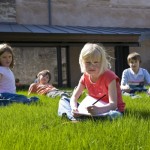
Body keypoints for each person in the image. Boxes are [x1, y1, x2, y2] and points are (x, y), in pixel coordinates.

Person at [58, 43, 125, 120]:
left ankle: (76, 118)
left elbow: (113, 105)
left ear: (102, 62)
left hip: (109, 108)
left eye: (96, 62)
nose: (91, 66)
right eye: (88, 62)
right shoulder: (85, 76)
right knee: (64, 100)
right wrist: (74, 108)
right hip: (91, 106)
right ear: (82, 62)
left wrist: (98, 110)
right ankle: (78, 116)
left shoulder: (109, 76)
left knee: (115, 114)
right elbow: (74, 97)